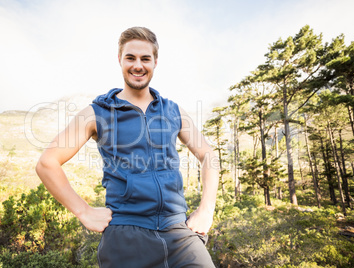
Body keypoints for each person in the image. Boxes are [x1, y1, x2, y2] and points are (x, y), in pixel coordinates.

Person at [36, 26, 219, 268]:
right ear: (120, 60)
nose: (138, 65)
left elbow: (209, 155)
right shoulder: (97, 113)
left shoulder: (173, 111)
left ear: (155, 62)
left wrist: (206, 209)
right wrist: (83, 212)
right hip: (126, 237)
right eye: (130, 58)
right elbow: (47, 164)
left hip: (179, 234)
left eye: (145, 58)